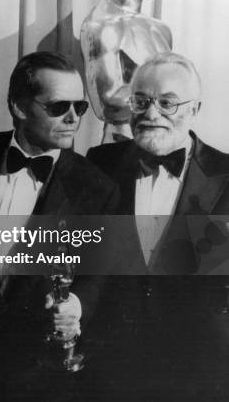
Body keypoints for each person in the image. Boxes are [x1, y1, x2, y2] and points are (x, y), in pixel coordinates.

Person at [0, 51, 120, 401]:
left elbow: (99, 277)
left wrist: (77, 306)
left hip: (37, 372)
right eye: (58, 107)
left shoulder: (97, 187)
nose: (74, 118)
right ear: (19, 108)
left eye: (80, 107)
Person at [87, 51, 229, 401]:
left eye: (168, 103)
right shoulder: (98, 164)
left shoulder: (227, 176)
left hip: (198, 373)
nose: (151, 114)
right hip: (109, 369)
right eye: (141, 101)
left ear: (194, 109)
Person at [80, 0, 172, 142]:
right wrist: (169, 97)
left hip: (162, 141)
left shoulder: (161, 29)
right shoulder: (100, 26)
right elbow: (107, 106)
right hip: (123, 146)